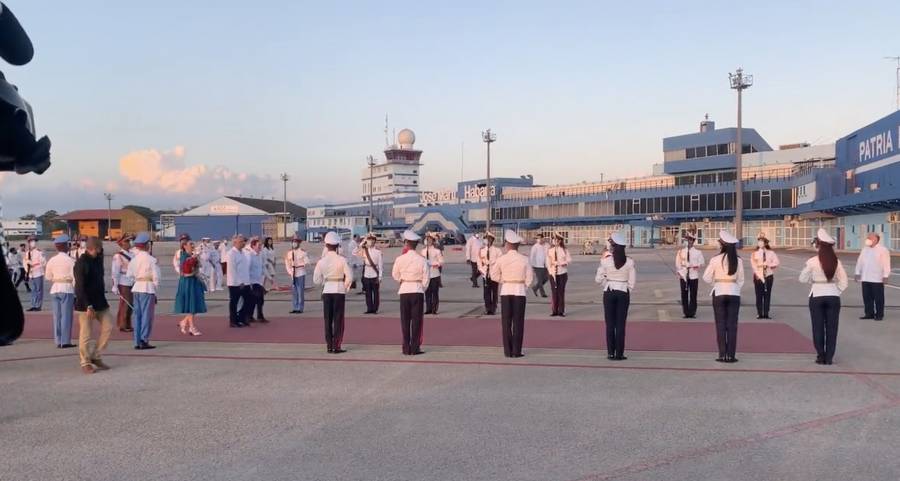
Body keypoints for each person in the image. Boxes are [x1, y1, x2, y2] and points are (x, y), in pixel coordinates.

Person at [800, 229, 849, 365]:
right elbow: (844, 282)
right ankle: (829, 358)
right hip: (833, 296)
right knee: (832, 328)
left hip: (817, 295)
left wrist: (814, 281)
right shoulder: (836, 261)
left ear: (819, 245)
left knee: (818, 327)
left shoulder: (812, 261)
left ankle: (820, 356)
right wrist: (835, 291)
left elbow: (802, 278)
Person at [73, 237, 114, 374]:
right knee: (86, 333)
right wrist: (88, 305)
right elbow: (79, 287)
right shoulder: (81, 263)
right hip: (86, 304)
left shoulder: (98, 260)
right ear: (94, 248)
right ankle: (85, 361)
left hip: (100, 302)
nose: (101, 250)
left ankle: (95, 355)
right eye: (99, 248)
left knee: (108, 327)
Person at [703, 230, 745, 363]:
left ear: (722, 245)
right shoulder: (738, 260)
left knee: (720, 324)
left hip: (719, 292)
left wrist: (716, 284)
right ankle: (731, 355)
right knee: (732, 325)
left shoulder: (715, 259)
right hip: (734, 293)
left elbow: (706, 277)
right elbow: (741, 280)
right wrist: (734, 288)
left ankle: (722, 354)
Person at [595, 232, 636, 361]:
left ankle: (610, 353)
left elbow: (598, 279)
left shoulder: (605, 261)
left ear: (613, 246)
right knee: (621, 324)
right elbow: (632, 282)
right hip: (623, 292)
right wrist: (625, 287)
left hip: (609, 292)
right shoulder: (629, 262)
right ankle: (619, 353)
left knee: (610, 324)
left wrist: (606, 282)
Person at [494, 229, 533, 358]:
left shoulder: (501, 259)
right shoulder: (524, 259)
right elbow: (530, 278)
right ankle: (517, 351)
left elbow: (493, 275)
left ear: (508, 244)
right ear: (517, 245)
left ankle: (507, 351)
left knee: (506, 322)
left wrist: (504, 281)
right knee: (518, 322)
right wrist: (523, 286)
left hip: (506, 290)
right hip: (519, 291)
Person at [313, 231, 353, 353]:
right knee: (338, 319)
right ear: (337, 246)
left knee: (327, 319)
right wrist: (345, 286)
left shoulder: (321, 261)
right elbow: (350, 277)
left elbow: (316, 280)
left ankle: (329, 345)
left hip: (327, 289)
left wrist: (325, 281)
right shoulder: (342, 260)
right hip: (339, 290)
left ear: (326, 245)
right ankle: (337, 345)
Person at [392, 230, 430, 355]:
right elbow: (426, 278)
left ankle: (405, 347)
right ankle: (415, 347)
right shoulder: (422, 259)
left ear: (406, 243)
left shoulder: (400, 259)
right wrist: (421, 287)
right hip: (417, 290)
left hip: (404, 290)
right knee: (417, 321)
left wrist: (402, 281)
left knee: (405, 321)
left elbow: (395, 274)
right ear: (416, 244)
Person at [126, 232, 160, 350]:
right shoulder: (151, 260)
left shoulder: (134, 260)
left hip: (137, 287)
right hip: (147, 287)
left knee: (137, 315)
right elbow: (156, 277)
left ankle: (136, 340)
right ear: (146, 245)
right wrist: (155, 290)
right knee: (147, 315)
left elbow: (129, 275)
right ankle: (144, 339)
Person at [44, 234, 76, 348]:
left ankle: (58, 340)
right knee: (66, 316)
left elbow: (47, 277)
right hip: (66, 288)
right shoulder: (71, 260)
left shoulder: (52, 260)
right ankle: (65, 341)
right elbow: (75, 278)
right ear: (66, 246)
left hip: (55, 288)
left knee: (57, 316)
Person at [173, 239, 206, 335]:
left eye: (193, 244)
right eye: (190, 244)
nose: (192, 245)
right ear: (184, 246)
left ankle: (184, 322)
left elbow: (198, 266)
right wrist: (193, 261)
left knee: (194, 304)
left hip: (193, 281)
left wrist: (196, 259)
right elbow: (186, 271)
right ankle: (192, 327)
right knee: (191, 305)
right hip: (188, 282)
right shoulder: (184, 256)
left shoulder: (191, 256)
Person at [855, 232, 891, 321]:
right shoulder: (865, 249)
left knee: (878, 298)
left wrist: (886, 275)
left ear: (876, 239)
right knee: (867, 297)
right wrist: (857, 272)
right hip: (866, 278)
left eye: (870, 238)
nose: (867, 239)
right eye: (868, 238)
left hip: (877, 279)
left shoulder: (883, 250)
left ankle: (879, 315)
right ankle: (869, 313)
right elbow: (860, 261)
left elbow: (886, 264)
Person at [750, 232, 780, 319]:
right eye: (759, 241)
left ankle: (766, 313)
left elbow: (777, 262)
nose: (760, 243)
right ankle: (759, 313)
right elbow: (753, 265)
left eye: (762, 241)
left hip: (768, 275)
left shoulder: (771, 253)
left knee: (767, 295)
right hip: (758, 276)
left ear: (766, 243)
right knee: (759, 295)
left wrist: (768, 264)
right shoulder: (754, 253)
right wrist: (758, 274)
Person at [675, 232, 704, 318]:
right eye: (687, 239)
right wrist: (680, 272)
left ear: (693, 241)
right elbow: (678, 263)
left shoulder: (698, 252)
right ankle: (686, 312)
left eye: (691, 239)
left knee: (693, 294)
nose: (689, 241)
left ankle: (692, 312)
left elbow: (702, 262)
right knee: (684, 294)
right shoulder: (681, 252)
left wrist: (696, 266)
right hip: (684, 275)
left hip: (693, 275)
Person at [110, 234, 135, 332]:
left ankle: (128, 324)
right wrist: (115, 285)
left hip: (131, 280)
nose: (129, 243)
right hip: (123, 281)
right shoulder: (118, 256)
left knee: (130, 304)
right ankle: (122, 324)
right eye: (127, 241)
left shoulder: (132, 254)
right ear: (122, 243)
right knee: (126, 303)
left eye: (129, 241)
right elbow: (115, 271)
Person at [226, 234, 252, 327]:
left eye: (244, 241)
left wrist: (247, 281)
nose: (243, 243)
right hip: (235, 283)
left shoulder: (243, 252)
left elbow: (245, 268)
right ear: (235, 242)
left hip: (246, 282)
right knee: (234, 302)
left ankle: (242, 318)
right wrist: (239, 282)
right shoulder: (231, 253)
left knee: (248, 301)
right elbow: (232, 270)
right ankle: (233, 321)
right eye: (241, 242)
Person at [354, 233, 383, 314]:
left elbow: (380, 266)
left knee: (376, 293)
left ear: (374, 241)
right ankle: (369, 308)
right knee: (368, 293)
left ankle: (375, 309)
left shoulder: (378, 252)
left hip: (375, 274)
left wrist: (380, 277)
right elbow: (354, 252)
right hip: (367, 274)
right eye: (369, 240)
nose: (370, 242)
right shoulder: (364, 250)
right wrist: (363, 242)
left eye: (372, 240)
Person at [547, 232, 572, 317]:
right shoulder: (550, 250)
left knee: (561, 292)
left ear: (560, 241)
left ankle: (561, 311)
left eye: (557, 240)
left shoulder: (564, 250)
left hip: (562, 273)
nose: (555, 241)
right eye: (554, 239)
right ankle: (554, 310)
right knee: (554, 292)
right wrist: (551, 269)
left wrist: (561, 263)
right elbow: (547, 262)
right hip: (553, 274)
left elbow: (569, 260)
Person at [478, 232, 503, 315]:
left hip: (494, 274)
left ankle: (493, 308)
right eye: (486, 239)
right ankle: (487, 308)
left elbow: (500, 262)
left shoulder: (497, 250)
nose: (487, 241)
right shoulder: (481, 251)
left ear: (492, 240)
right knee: (486, 292)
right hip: (485, 274)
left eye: (489, 239)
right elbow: (479, 262)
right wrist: (482, 271)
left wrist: (492, 264)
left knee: (494, 292)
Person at [285, 235, 309, 314]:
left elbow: (307, 262)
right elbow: (287, 264)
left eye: (296, 242)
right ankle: (295, 307)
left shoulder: (302, 252)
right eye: (293, 242)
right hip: (293, 274)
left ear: (299, 243)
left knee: (300, 291)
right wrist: (290, 272)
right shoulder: (289, 253)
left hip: (300, 273)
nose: (294, 243)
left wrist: (300, 264)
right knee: (294, 291)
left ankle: (300, 307)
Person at [246, 237, 269, 323]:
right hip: (252, 282)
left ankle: (259, 316)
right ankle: (250, 316)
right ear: (253, 246)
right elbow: (247, 269)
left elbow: (263, 268)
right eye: (259, 245)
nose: (260, 247)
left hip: (259, 281)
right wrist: (248, 283)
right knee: (253, 300)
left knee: (260, 299)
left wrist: (270, 279)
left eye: (261, 245)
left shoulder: (259, 255)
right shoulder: (250, 256)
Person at [421, 232, 444, 315]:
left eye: (430, 240)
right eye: (427, 240)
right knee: (427, 293)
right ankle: (428, 308)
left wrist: (433, 264)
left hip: (435, 274)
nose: (428, 242)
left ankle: (434, 309)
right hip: (426, 275)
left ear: (433, 241)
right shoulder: (423, 251)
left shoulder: (437, 251)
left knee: (435, 293)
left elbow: (441, 262)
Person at [24, 235, 45, 311]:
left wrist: (33, 264)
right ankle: (33, 305)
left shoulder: (39, 252)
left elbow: (43, 263)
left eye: (34, 241)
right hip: (31, 274)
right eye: (31, 241)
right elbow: (25, 263)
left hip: (38, 273)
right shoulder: (27, 253)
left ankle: (38, 305)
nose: (33, 243)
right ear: (28, 243)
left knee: (39, 290)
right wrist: (27, 271)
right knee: (33, 290)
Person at [529, 233, 549, 297]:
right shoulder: (535, 247)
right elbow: (532, 256)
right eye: (537, 239)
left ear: (543, 238)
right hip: (537, 266)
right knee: (540, 280)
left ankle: (535, 288)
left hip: (546, 265)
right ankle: (543, 293)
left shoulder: (547, 245)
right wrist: (531, 266)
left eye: (540, 238)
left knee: (546, 278)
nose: (538, 240)